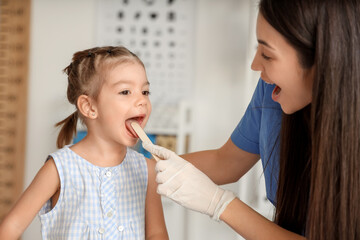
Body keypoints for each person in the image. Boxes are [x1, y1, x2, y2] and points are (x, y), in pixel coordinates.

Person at [143, 0, 360, 239]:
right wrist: (144, 169)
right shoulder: (271, 91)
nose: (255, 65)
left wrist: (219, 203)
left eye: (267, 54)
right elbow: (227, 161)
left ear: (325, 60)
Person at [0, 46, 169, 240]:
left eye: (145, 92)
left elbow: (157, 233)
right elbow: (11, 227)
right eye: (125, 92)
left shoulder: (147, 170)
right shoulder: (60, 168)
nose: (142, 101)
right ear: (89, 107)